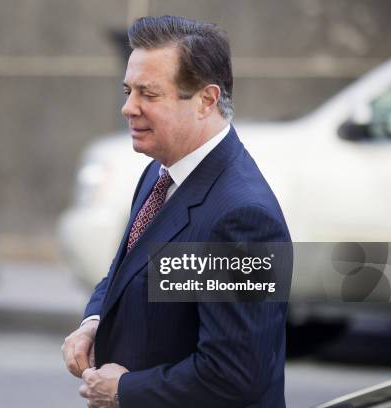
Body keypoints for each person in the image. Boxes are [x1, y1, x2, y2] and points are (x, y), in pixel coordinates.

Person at [61, 15, 291, 408]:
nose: (128, 108)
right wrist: (94, 322)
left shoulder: (244, 218)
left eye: (149, 95)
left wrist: (123, 390)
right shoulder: (162, 170)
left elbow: (234, 375)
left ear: (206, 100)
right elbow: (134, 273)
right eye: (128, 90)